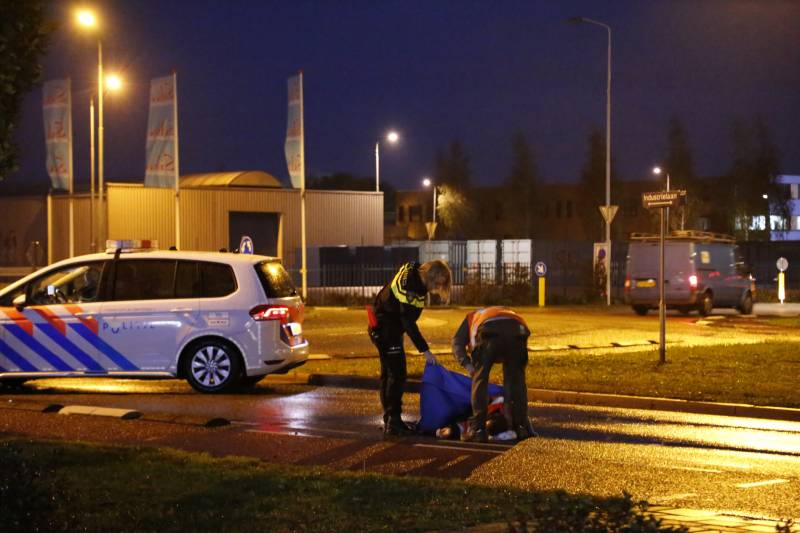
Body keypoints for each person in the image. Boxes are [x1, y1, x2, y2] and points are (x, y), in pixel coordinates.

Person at [369, 260, 451, 436]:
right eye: (438, 283)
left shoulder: (413, 274)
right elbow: (408, 323)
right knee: (397, 375)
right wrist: (425, 350)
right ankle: (394, 421)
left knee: (389, 374)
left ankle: (391, 418)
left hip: (383, 325)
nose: (438, 287)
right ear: (431, 275)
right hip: (387, 329)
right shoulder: (411, 289)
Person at [451, 306, 534, 443]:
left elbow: (457, 343)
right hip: (518, 331)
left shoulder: (471, 318)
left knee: (480, 380)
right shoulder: (501, 311)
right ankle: (522, 427)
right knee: (516, 381)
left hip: (489, 332)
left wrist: (468, 365)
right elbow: (511, 384)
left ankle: (478, 430)